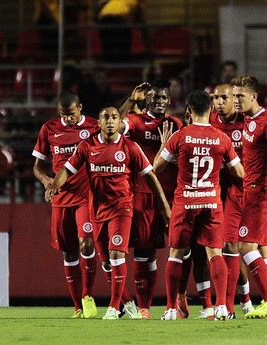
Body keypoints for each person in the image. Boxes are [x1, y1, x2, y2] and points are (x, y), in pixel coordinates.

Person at [47, 105, 171, 320]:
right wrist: (54, 186)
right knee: (106, 262)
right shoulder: (87, 147)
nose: (111, 121)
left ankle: (114, 307)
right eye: (106, 117)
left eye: (115, 117)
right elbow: (67, 169)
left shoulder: (130, 147)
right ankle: (129, 303)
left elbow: (150, 176)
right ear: (100, 123)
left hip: (121, 208)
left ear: (119, 122)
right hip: (97, 211)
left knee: (117, 254)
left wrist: (165, 207)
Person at [210, 83, 267, 319]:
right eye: (219, 98)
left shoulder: (261, 121)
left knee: (265, 248)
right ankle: (230, 308)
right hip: (238, 192)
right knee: (235, 246)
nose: (227, 101)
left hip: (261, 193)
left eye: (232, 97)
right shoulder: (219, 122)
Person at [153, 90, 244, 321]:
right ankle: (221, 306)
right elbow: (240, 173)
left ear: (189, 111)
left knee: (176, 254)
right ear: (211, 110)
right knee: (215, 252)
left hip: (185, 201)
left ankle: (171, 309)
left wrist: (165, 146)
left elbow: (157, 167)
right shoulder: (221, 138)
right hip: (211, 201)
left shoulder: (180, 136)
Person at [32, 91, 100, 319]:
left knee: (87, 245)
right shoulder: (49, 129)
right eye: (64, 115)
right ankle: (77, 307)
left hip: (85, 196)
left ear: (80, 108)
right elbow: (37, 167)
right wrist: (46, 181)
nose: (68, 119)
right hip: (61, 199)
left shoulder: (93, 126)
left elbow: (115, 121)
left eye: (71, 114)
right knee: (68, 252)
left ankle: (88, 296)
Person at [121, 80, 184, 318]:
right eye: (155, 97)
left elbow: (184, 156)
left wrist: (171, 158)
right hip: (143, 195)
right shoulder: (135, 122)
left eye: (163, 98)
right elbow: (112, 127)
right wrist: (130, 98)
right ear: (147, 99)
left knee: (180, 250)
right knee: (144, 253)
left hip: (172, 195)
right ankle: (144, 307)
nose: (159, 101)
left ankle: (179, 298)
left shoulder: (175, 124)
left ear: (169, 100)